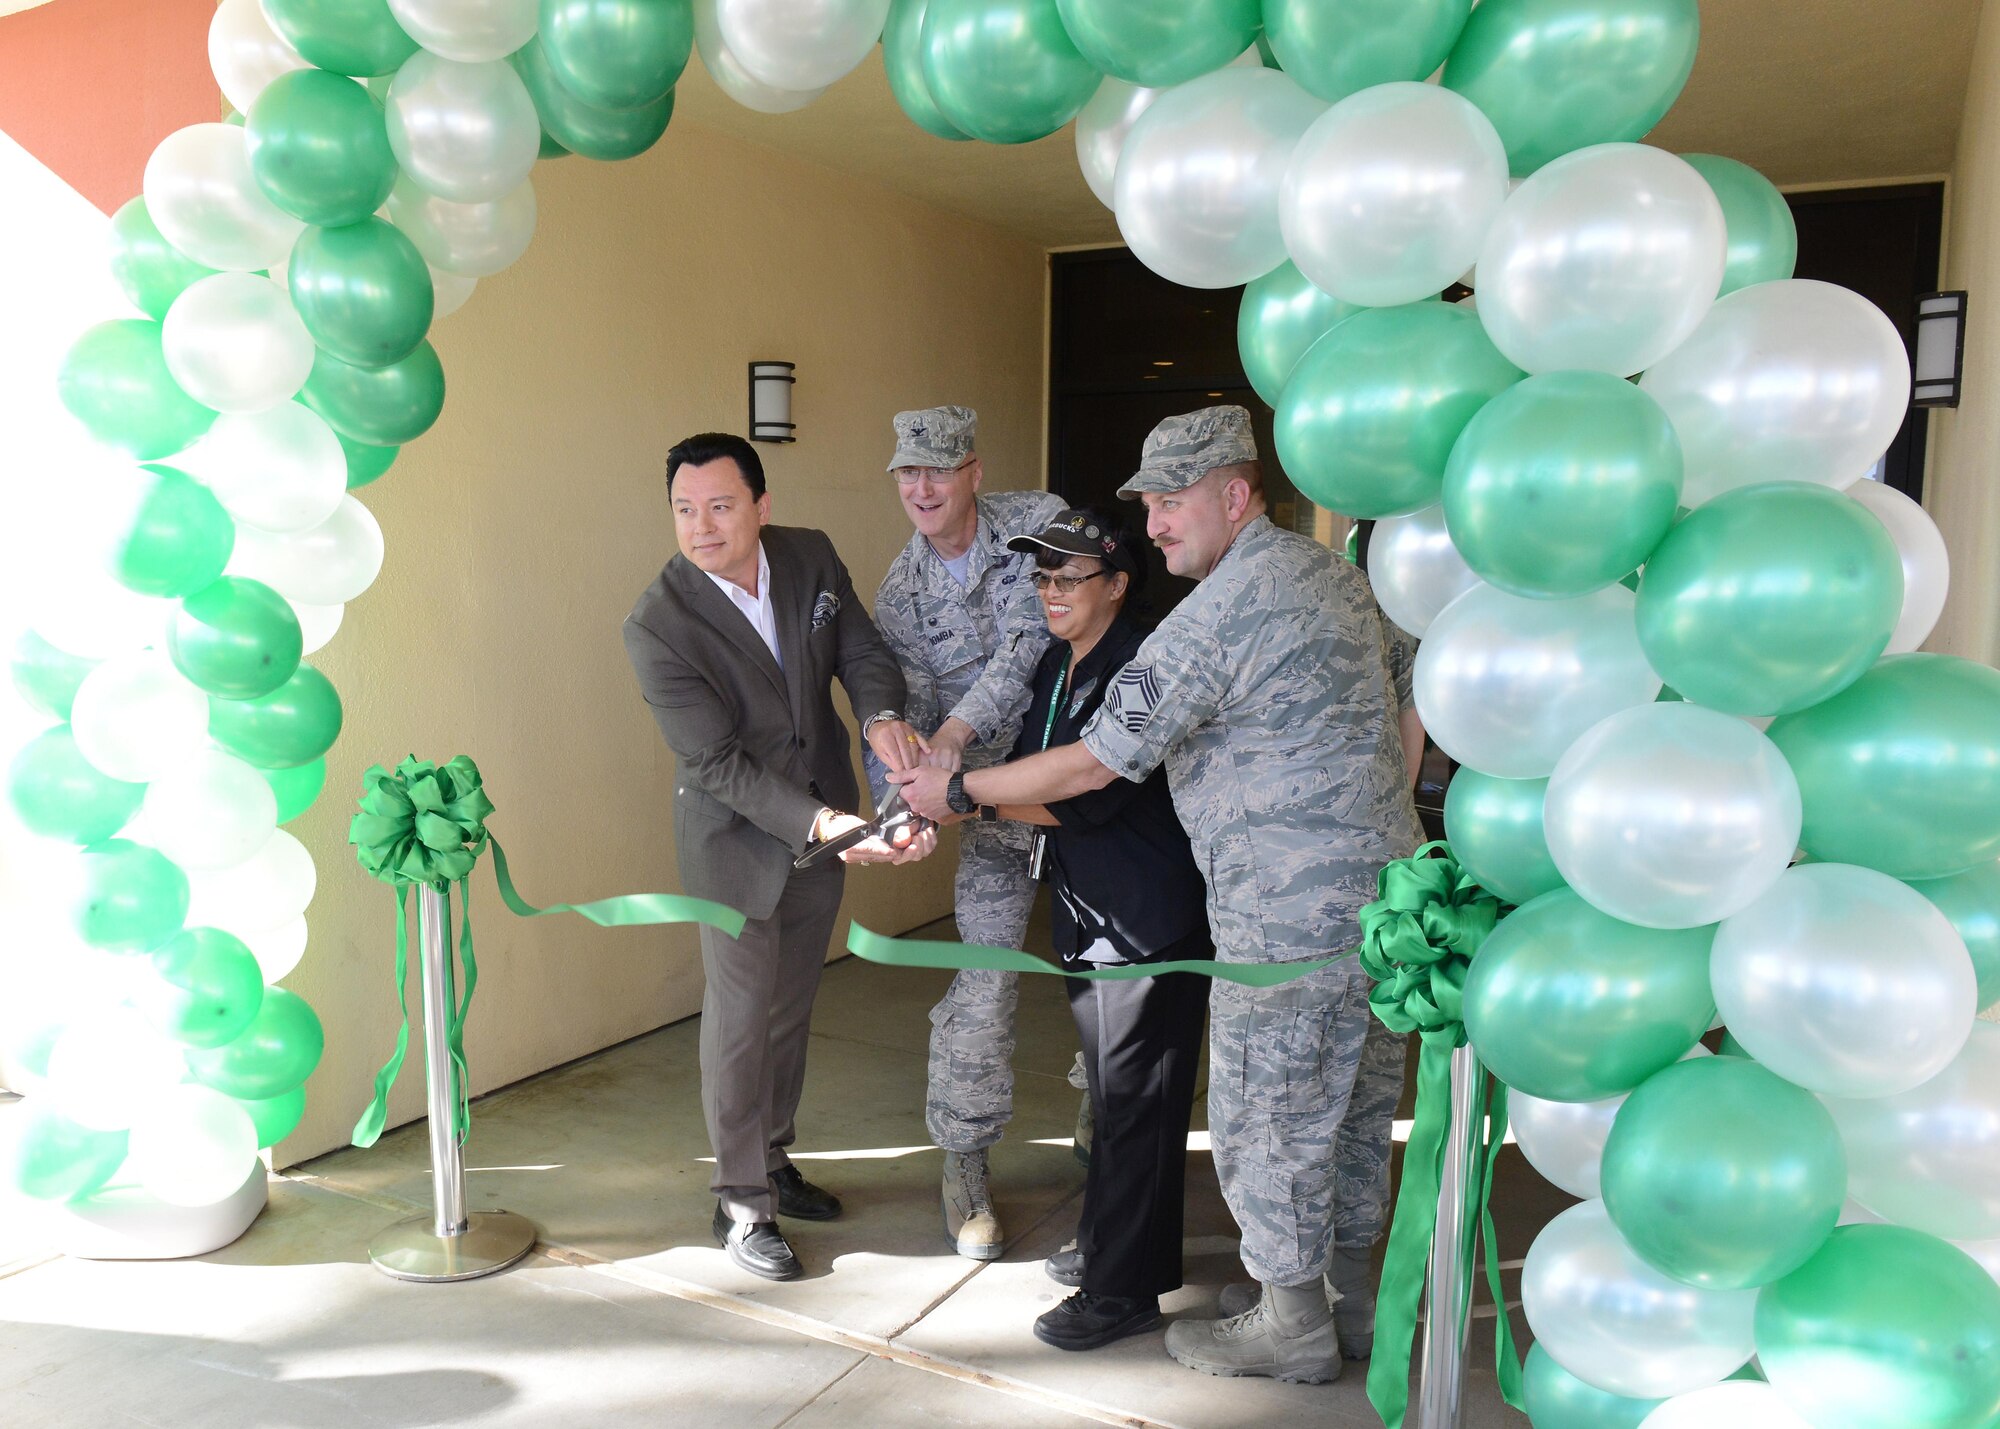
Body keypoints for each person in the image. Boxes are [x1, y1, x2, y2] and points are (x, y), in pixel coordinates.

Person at [895, 407, 1425, 1383]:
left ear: (1235, 494)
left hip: (1281, 910)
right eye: (1147, 502)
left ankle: (1292, 1326)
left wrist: (956, 791)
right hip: (1387, 897)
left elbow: (1096, 764)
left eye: (1174, 501)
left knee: (1268, 1110)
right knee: (1353, 1100)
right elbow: (1408, 704)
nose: (1156, 521)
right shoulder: (1338, 580)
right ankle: (1339, 1301)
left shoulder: (1213, 616)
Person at [623, 431, 933, 1283]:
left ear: (762, 507)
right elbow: (716, 764)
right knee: (737, 1024)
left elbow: (863, 651)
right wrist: (829, 822)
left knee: (790, 1012)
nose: (702, 527)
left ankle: (773, 1157)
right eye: (685, 510)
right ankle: (739, 1201)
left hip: (821, 825)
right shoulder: (659, 623)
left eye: (721, 506)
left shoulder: (810, 556)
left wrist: (878, 718)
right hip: (735, 847)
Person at [958, 508, 1212, 1353]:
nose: (1052, 593)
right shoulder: (1063, 662)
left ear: (1117, 582)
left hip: (1147, 919)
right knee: (1117, 1101)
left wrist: (965, 795)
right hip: (1092, 914)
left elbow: (1089, 794)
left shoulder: (1137, 664)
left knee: (1139, 1105)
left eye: (1069, 577)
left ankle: (1121, 1292)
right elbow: (1046, 785)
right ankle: (1116, 1251)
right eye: (1042, 578)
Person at [867, 405, 1066, 1260]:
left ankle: (1113, 1129)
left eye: (938, 471)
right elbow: (904, 715)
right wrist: (901, 801)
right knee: (985, 981)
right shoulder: (899, 592)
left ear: (974, 471)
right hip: (988, 812)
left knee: (1118, 973)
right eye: (907, 473)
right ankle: (966, 1160)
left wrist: (953, 735)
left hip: (1080, 785)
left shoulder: (1038, 527)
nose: (921, 488)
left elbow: (1028, 647)